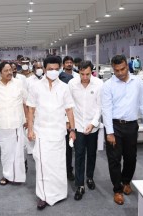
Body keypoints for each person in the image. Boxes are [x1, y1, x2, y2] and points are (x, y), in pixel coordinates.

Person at [27, 56, 76, 210]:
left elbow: (69, 109)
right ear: (44, 68)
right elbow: (31, 109)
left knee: (58, 165)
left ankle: (59, 194)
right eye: (50, 69)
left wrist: (72, 129)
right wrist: (30, 129)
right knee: (42, 164)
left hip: (59, 132)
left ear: (60, 68)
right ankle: (42, 196)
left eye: (56, 69)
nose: (53, 72)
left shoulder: (64, 87)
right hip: (41, 132)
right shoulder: (35, 86)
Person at [101, 54, 143, 205]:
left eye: (123, 69)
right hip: (114, 126)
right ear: (113, 70)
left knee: (131, 157)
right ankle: (117, 189)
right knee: (114, 159)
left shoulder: (138, 82)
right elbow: (106, 110)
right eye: (117, 70)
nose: (120, 73)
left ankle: (126, 182)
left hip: (131, 125)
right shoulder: (108, 85)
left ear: (127, 66)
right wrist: (109, 132)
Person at [0, 61, 28, 185]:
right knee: (6, 153)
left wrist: (28, 119)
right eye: (6, 71)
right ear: (0, 73)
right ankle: (7, 175)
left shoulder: (19, 84)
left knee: (18, 152)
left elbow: (26, 102)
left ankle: (18, 176)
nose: (10, 73)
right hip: (2, 125)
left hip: (17, 124)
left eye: (10, 70)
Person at [68, 60, 103, 201]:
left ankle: (90, 177)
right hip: (78, 126)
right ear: (78, 72)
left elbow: (100, 107)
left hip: (92, 126)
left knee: (92, 154)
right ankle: (80, 185)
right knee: (79, 155)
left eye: (87, 74)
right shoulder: (72, 84)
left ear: (92, 72)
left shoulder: (99, 84)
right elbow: (69, 105)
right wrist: (71, 126)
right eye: (82, 74)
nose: (84, 77)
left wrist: (93, 123)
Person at [59, 55, 78, 181]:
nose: (69, 64)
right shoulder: (60, 78)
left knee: (68, 149)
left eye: (71, 62)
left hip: (71, 116)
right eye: (67, 62)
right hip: (59, 118)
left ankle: (68, 170)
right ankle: (61, 171)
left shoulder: (76, 77)